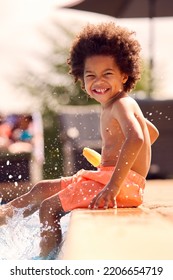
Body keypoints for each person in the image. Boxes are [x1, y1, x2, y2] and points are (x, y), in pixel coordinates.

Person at [0, 22, 159, 260]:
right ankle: (5, 214)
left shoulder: (121, 104)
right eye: (90, 75)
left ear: (124, 75)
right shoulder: (118, 105)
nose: (98, 81)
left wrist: (113, 185)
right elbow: (151, 133)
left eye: (107, 74)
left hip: (118, 184)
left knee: (49, 207)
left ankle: (45, 262)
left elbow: (136, 138)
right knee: (41, 188)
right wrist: (114, 163)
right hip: (109, 177)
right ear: (80, 78)